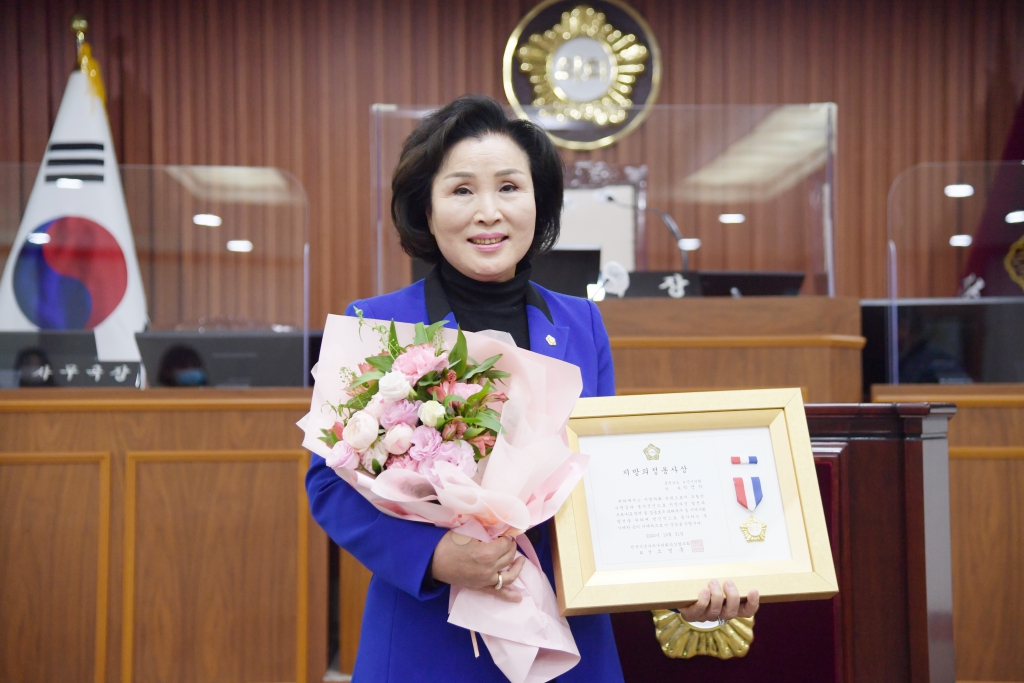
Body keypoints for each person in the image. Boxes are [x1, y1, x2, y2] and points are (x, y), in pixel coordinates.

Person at [306, 94, 759, 682]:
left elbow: (605, 477)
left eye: (510, 188)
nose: (488, 212)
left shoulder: (580, 323)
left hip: (565, 639)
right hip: (428, 637)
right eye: (462, 190)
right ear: (426, 207)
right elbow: (329, 480)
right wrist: (435, 557)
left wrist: (679, 577)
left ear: (538, 201)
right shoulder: (374, 323)